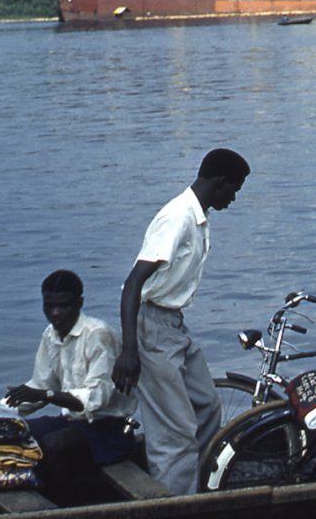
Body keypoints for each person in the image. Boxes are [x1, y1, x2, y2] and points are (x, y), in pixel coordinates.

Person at [111, 148, 250, 495]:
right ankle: (173, 502)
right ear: (220, 183)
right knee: (175, 435)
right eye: (234, 190)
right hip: (151, 326)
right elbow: (133, 284)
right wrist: (130, 349)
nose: (234, 198)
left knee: (206, 405)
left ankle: (194, 486)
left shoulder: (199, 217)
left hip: (173, 326)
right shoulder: (178, 218)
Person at [4, 270, 137, 495]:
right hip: (72, 423)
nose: (55, 314)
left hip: (109, 429)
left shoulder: (99, 335)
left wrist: (46, 395)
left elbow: (93, 400)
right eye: (49, 306)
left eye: (63, 306)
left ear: (79, 303)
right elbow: (40, 384)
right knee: (13, 433)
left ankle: (64, 501)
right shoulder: (50, 335)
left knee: (55, 444)